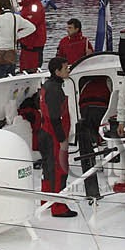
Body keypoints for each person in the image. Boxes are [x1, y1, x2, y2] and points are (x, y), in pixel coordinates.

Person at [34, 56, 76, 217]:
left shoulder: (48, 86)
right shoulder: (54, 90)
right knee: (60, 170)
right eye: (66, 68)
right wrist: (62, 140)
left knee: (48, 169)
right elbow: (54, 117)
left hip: (46, 134)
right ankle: (58, 207)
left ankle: (46, 200)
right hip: (53, 136)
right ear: (57, 71)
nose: (68, 70)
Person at [74, 71, 112, 199]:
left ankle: (91, 188)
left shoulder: (86, 83)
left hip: (85, 110)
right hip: (100, 109)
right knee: (104, 135)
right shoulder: (108, 81)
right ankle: (105, 160)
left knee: (87, 144)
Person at [0, 0, 35, 79]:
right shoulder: (16, 17)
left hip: (1, 53)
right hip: (12, 52)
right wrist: (17, 36)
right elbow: (32, 27)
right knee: (10, 77)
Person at [18, 0, 48, 73]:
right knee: (25, 70)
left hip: (33, 45)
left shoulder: (35, 6)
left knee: (32, 71)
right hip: (26, 45)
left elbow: (31, 23)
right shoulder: (26, 6)